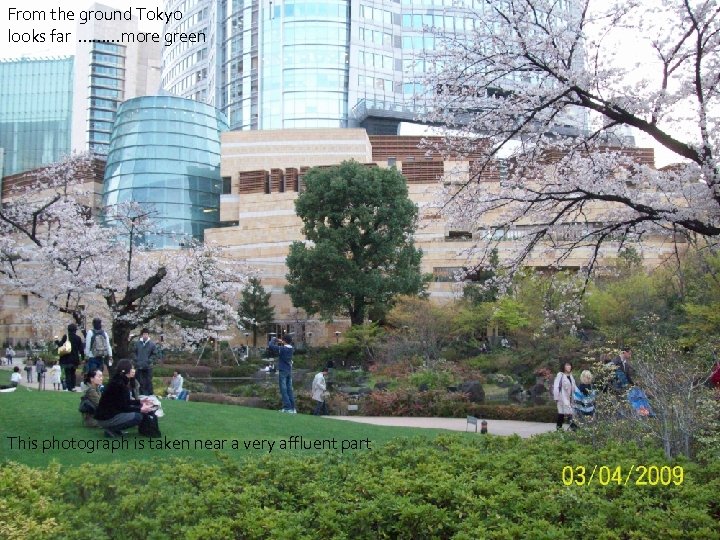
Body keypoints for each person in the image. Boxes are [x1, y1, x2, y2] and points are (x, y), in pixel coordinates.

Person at [94, 359, 155, 438]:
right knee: (137, 416)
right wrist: (141, 409)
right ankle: (111, 429)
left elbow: (124, 402)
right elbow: (124, 407)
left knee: (138, 412)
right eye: (132, 368)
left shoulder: (118, 381)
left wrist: (140, 402)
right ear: (127, 370)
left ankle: (115, 429)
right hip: (106, 418)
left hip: (106, 415)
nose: (133, 370)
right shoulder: (119, 384)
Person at [268, 334, 296, 413]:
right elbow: (288, 344)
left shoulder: (283, 349)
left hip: (283, 370)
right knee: (289, 389)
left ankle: (287, 407)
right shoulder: (291, 349)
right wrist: (282, 341)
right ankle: (292, 408)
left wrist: (274, 339)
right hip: (289, 370)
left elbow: (270, 346)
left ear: (283, 341)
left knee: (283, 389)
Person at [56, 323, 84, 392]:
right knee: (73, 373)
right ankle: (73, 386)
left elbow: (60, 345)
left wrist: (56, 341)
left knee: (67, 373)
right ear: (75, 330)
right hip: (74, 359)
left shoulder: (66, 337)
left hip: (66, 359)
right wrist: (82, 358)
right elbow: (81, 350)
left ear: (68, 330)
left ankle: (69, 387)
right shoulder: (78, 338)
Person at [553, 361, 577, 430]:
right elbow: (556, 387)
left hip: (570, 398)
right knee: (564, 413)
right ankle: (574, 429)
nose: (569, 367)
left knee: (563, 414)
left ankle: (559, 429)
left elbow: (574, 387)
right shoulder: (560, 375)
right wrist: (556, 398)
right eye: (567, 365)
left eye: (570, 365)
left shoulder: (571, 376)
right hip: (562, 397)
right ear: (563, 366)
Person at [133, 328, 158, 396]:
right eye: (144, 334)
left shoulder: (152, 344)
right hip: (139, 365)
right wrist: (136, 360)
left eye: (146, 334)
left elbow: (155, 354)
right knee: (139, 381)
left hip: (148, 366)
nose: (145, 336)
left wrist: (149, 360)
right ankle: (140, 394)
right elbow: (134, 352)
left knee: (148, 381)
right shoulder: (137, 343)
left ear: (148, 335)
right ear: (142, 335)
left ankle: (149, 394)